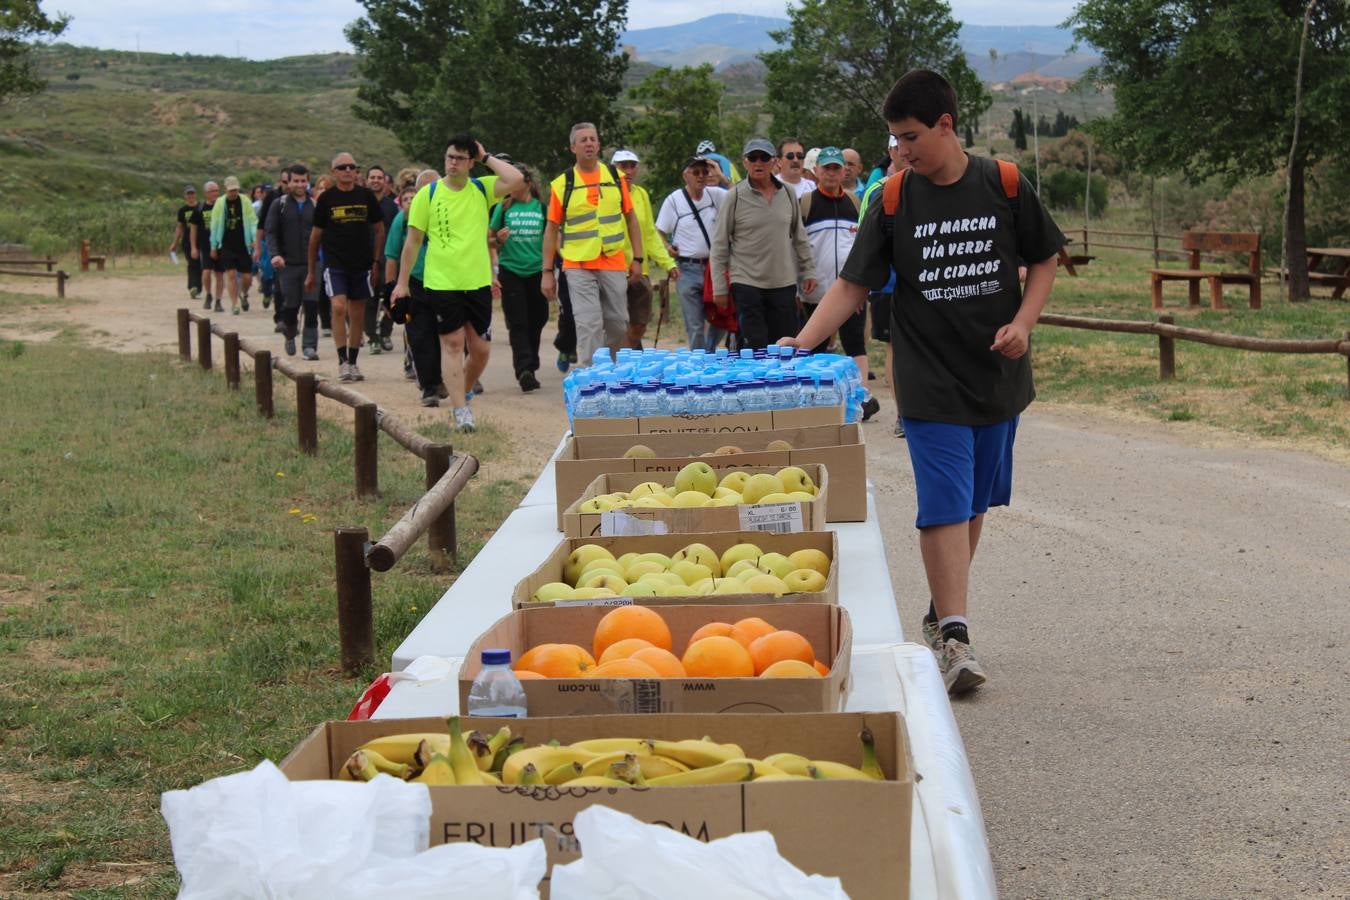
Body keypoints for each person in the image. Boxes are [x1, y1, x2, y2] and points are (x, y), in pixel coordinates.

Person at [779, 69, 1065, 695]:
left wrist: (1024, 321)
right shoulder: (891, 198)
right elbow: (853, 285)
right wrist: (802, 342)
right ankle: (956, 637)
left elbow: (1044, 258)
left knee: (975, 502)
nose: (900, 150)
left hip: (996, 376)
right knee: (942, 499)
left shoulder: (1005, 184)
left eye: (910, 136)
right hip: (927, 377)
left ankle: (942, 608)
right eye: (893, 139)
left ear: (945, 124)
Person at [391, 134, 522, 431]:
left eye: (460, 158)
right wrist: (402, 283)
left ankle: (461, 389)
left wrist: (486, 157)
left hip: (476, 281)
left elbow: (515, 178)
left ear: (470, 162)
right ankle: (460, 410)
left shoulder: (482, 188)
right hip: (441, 282)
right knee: (452, 344)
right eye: (449, 157)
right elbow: (412, 242)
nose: (452, 162)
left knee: (481, 350)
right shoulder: (429, 194)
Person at [539, 122, 645, 367]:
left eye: (592, 139)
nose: (589, 143)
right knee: (589, 323)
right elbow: (551, 229)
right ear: (572, 147)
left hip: (613, 260)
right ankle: (592, 379)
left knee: (618, 322)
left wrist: (637, 258)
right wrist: (547, 272)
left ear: (598, 145)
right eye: (583, 139)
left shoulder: (616, 178)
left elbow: (631, 220)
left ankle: (611, 368)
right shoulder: (561, 184)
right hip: (578, 264)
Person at [709, 137, 816, 350]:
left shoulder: (787, 193)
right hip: (747, 282)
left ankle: (781, 384)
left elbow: (799, 236)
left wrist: (808, 271)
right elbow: (720, 245)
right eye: (753, 158)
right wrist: (719, 287)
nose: (758, 163)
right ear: (745, 162)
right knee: (754, 345)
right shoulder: (735, 196)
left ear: (774, 162)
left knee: (784, 345)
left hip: (783, 282)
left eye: (764, 157)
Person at [797, 147, 879, 421]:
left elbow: (863, 247)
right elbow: (797, 245)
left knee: (855, 343)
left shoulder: (856, 203)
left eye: (836, 168)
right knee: (815, 347)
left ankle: (863, 398)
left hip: (850, 289)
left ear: (846, 171)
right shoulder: (806, 203)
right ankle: (815, 401)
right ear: (816, 171)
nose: (832, 173)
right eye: (826, 168)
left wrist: (860, 288)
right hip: (815, 290)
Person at [306, 153, 385, 383]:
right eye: (342, 167)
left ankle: (353, 361)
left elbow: (379, 230)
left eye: (352, 167)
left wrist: (376, 261)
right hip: (335, 264)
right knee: (339, 307)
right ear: (334, 172)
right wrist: (311, 272)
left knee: (357, 314)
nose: (348, 170)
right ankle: (342, 362)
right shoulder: (326, 199)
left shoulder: (366, 196)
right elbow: (314, 238)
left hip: (362, 265)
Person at [655, 155, 728, 351]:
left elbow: (742, 197)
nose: (701, 176)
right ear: (685, 175)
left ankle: (708, 352)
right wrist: (667, 248)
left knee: (721, 317)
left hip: (714, 269)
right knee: (695, 324)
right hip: (687, 269)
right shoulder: (674, 200)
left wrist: (721, 176)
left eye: (705, 171)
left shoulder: (716, 195)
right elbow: (658, 231)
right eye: (696, 172)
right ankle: (699, 363)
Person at [489, 164, 549, 392]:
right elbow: (490, 240)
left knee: (539, 318)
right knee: (518, 322)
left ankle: (531, 362)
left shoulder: (542, 209)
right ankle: (525, 369)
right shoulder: (502, 209)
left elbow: (553, 239)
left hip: (537, 271)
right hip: (510, 271)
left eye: (515, 181)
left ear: (528, 184)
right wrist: (499, 241)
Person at [385, 170, 443, 404]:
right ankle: (429, 387)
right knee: (420, 336)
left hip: (446, 282)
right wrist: (392, 289)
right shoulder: (404, 218)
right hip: (415, 283)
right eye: (425, 190)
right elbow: (391, 255)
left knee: (448, 335)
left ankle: (444, 378)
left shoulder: (450, 213)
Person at [610, 150, 676, 350]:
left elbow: (649, 234)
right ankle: (622, 363)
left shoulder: (641, 194)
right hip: (613, 269)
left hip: (639, 269)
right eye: (623, 166)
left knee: (639, 321)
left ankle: (627, 355)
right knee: (616, 322)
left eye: (632, 166)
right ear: (613, 169)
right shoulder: (605, 194)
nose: (628, 171)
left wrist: (668, 262)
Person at [265, 164, 318, 359]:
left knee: (312, 306)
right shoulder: (279, 204)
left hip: (312, 264)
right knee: (291, 305)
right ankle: (289, 334)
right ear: (288, 182)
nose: (300, 184)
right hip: (287, 264)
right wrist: (274, 255)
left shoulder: (315, 205)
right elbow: (270, 232)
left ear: (308, 181)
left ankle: (310, 346)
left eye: (303, 181)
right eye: (296, 181)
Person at [209, 176, 257, 316]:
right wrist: (213, 245)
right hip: (227, 244)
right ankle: (234, 304)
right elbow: (215, 224)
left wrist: (254, 239)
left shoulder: (245, 201)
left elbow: (253, 221)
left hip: (243, 243)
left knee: (247, 277)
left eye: (235, 190)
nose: (233, 193)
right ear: (226, 190)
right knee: (230, 274)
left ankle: (244, 293)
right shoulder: (220, 203)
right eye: (230, 190)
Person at [365, 164, 398, 355]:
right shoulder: (361, 203)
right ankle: (372, 337)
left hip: (388, 258)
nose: (375, 180)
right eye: (372, 177)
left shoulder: (391, 206)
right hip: (365, 259)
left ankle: (386, 332)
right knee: (369, 300)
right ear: (367, 180)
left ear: (384, 181)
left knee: (391, 298)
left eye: (379, 177)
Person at [189, 181, 220, 312]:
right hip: (205, 246)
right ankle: (208, 294)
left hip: (220, 245)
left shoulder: (222, 206)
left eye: (217, 190)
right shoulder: (199, 209)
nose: (215, 193)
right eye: (212, 191)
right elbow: (193, 229)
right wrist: (193, 247)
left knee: (219, 274)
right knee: (206, 272)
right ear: (206, 193)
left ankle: (218, 301)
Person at [171, 185, 202, 300]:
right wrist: (174, 243)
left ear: (195, 194)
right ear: (185, 196)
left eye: (192, 193)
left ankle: (197, 287)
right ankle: (194, 287)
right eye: (188, 194)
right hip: (187, 241)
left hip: (201, 239)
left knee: (201, 265)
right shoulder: (183, 210)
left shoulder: (201, 207)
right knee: (193, 264)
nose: (190, 196)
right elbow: (179, 227)